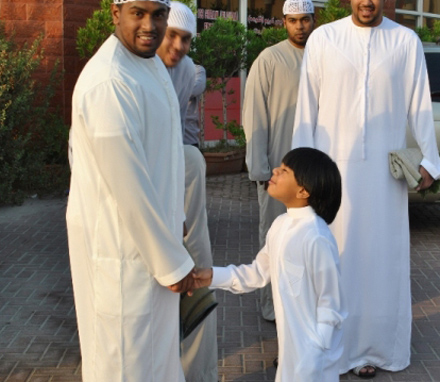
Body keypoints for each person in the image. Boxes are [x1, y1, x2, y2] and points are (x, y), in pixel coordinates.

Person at [291, 0, 440, 377]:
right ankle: (333, 348)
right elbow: (306, 109)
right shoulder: (324, 38)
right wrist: (300, 171)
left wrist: (430, 158)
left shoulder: (405, 41)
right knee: (333, 257)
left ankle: (376, 349)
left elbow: (420, 105)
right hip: (332, 174)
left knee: (381, 259)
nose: (367, 3)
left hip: (383, 177)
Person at [66, 1, 205, 381]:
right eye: (138, 13)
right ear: (116, 13)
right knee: (125, 362)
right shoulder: (110, 81)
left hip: (152, 246)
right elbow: (128, 184)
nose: (150, 25)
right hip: (121, 249)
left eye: (158, 15)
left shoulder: (148, 65)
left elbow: (163, 161)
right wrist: (171, 261)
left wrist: (175, 225)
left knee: (156, 360)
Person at [188, 147, 346, 382]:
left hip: (314, 361)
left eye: (284, 170)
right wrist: (210, 277)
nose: (274, 171)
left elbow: (331, 304)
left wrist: (315, 350)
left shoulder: (317, 237)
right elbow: (256, 273)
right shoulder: (280, 225)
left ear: (303, 190)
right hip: (290, 354)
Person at [155, 3, 218, 382]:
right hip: (143, 190)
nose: (177, 45)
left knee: (194, 272)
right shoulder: (128, 71)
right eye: (171, 35)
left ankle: (199, 374)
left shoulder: (185, 70)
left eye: (185, 38)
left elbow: (174, 128)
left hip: (180, 178)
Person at [242, 0, 315, 322]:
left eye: (305, 20)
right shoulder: (269, 59)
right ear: (283, 22)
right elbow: (254, 116)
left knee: (312, 240)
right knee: (275, 239)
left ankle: (303, 303)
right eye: (293, 20)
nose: (300, 26)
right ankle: (272, 307)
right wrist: (260, 169)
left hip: (315, 170)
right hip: (278, 170)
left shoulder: (322, 57)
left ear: (314, 20)